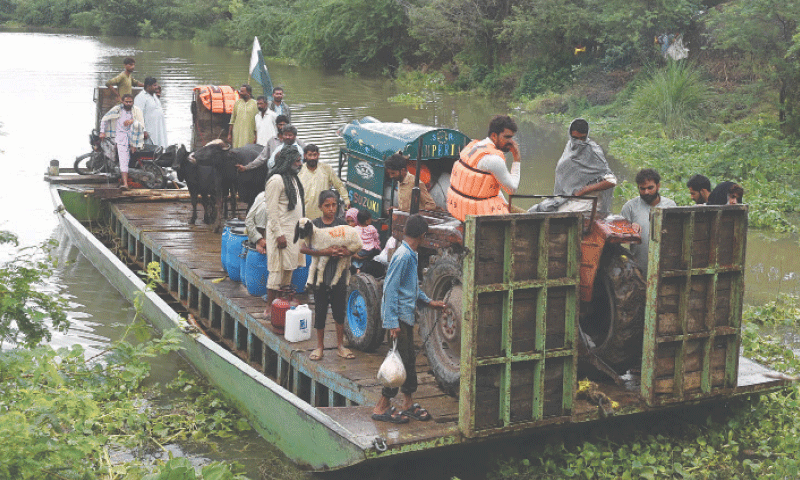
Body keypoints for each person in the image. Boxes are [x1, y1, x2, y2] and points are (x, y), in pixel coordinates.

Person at [371, 214, 447, 424]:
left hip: (405, 316)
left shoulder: (410, 254)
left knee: (408, 361)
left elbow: (410, 288)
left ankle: (407, 402)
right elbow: (390, 289)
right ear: (422, 236)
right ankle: (381, 406)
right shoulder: (403, 256)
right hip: (398, 319)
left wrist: (429, 302)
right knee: (399, 363)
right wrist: (391, 322)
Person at [300, 191, 355, 361]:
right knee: (321, 309)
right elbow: (303, 248)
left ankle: (340, 346)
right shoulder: (314, 225)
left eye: (334, 205)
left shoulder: (342, 224)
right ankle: (319, 346)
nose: (331, 209)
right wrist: (325, 251)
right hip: (320, 276)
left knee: (339, 309)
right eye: (327, 206)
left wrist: (344, 251)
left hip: (338, 274)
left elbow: (352, 245)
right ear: (320, 207)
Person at [531, 118, 617, 215]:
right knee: (540, 208)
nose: (579, 142)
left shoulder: (593, 151)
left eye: (583, 138)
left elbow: (611, 181)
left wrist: (585, 190)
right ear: (570, 135)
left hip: (587, 201)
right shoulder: (570, 146)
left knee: (553, 215)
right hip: (567, 197)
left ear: (587, 135)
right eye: (576, 138)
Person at [447, 115, 521, 221]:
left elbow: (481, 186)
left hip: (459, 208)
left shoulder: (473, 146)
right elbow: (512, 189)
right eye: (507, 137)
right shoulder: (494, 159)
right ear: (494, 136)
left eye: (512, 137)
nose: (511, 142)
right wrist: (517, 160)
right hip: (478, 213)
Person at [263, 146, 305, 316]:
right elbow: (271, 212)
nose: (300, 163)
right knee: (276, 270)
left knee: (289, 268)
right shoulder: (276, 180)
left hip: (293, 233)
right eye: (297, 160)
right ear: (287, 161)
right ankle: (269, 309)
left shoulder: (293, 179)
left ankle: (282, 304)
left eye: (300, 160)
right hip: (279, 233)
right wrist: (279, 234)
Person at [620, 169, 677, 275]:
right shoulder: (630, 207)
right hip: (638, 269)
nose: (646, 192)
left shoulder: (670, 205)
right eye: (642, 189)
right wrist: (630, 229)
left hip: (664, 266)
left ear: (658, 186)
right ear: (638, 188)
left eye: (650, 188)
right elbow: (619, 239)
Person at [99, 94, 145, 190]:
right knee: (123, 160)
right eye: (126, 102)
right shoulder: (117, 109)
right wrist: (102, 132)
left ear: (133, 102)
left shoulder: (136, 111)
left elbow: (141, 124)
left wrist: (132, 121)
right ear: (123, 102)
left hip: (133, 137)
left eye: (130, 102)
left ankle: (131, 180)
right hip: (120, 137)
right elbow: (105, 119)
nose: (128, 103)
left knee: (131, 159)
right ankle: (125, 183)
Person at [298, 144, 350, 220]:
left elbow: (339, 185)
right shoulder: (299, 171)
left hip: (323, 214)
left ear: (318, 155)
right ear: (305, 156)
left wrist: (346, 199)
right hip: (305, 213)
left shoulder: (326, 169)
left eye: (315, 155)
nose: (312, 158)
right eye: (310, 155)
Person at [133, 77, 168, 148]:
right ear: (148, 86)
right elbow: (137, 115)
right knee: (151, 148)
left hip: (158, 127)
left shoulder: (154, 96)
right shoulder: (140, 97)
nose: (157, 87)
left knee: (160, 145)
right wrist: (143, 130)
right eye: (154, 85)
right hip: (149, 130)